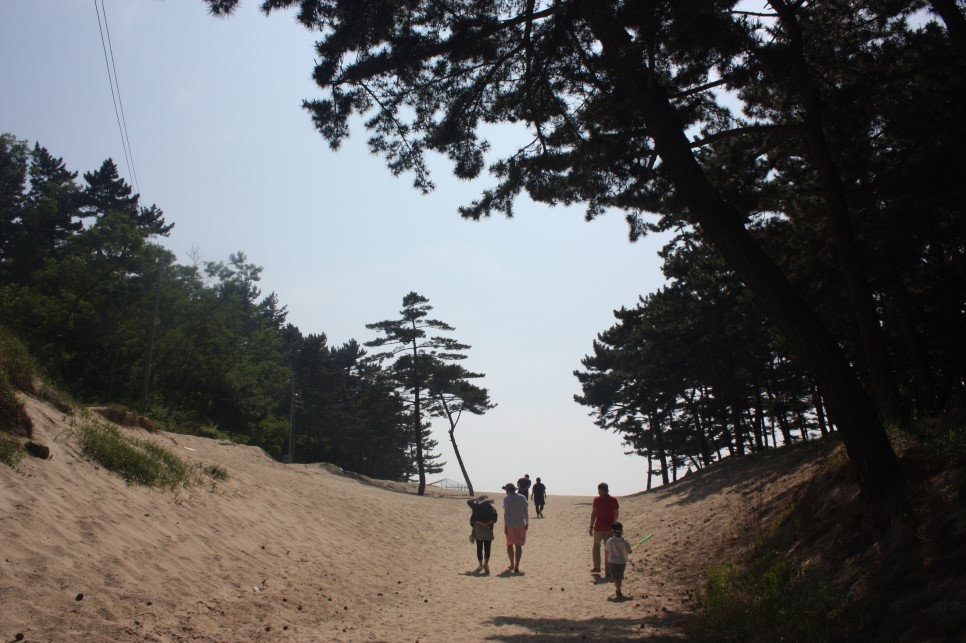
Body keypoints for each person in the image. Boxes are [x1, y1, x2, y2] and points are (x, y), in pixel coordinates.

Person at [589, 482, 619, 577]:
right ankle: (608, 571)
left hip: (598, 528)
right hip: (609, 529)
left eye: (599, 490)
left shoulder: (597, 499)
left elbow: (594, 513)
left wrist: (591, 526)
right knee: (608, 550)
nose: (598, 492)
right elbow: (616, 513)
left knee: (596, 547)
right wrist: (614, 524)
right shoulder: (614, 500)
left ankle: (597, 567)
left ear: (601, 490)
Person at [467, 495, 498, 574]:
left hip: (478, 528)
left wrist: (477, 499)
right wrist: (486, 524)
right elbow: (494, 520)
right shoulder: (492, 509)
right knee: (487, 547)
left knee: (479, 547)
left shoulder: (476, 506)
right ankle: (486, 563)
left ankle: (480, 564)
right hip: (488, 528)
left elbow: (469, 501)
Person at [502, 482, 529, 574]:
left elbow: (506, 514)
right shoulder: (522, 497)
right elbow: (526, 512)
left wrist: (505, 526)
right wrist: (527, 523)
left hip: (510, 525)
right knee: (518, 546)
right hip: (521, 524)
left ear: (507, 490)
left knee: (509, 545)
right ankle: (517, 566)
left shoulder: (507, 499)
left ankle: (512, 564)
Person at [604, 522, 633, 599]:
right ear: (622, 531)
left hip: (612, 561)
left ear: (612, 531)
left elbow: (607, 550)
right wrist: (629, 551)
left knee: (616, 576)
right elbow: (629, 551)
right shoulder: (625, 541)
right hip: (622, 561)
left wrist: (607, 560)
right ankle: (618, 588)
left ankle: (618, 588)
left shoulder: (610, 540)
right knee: (620, 576)